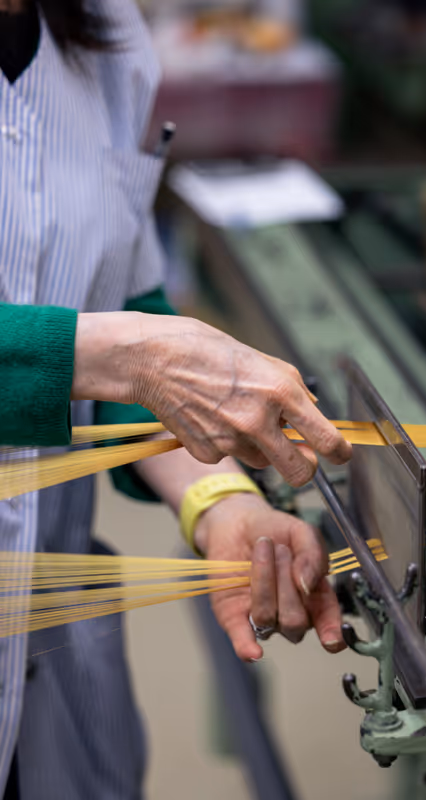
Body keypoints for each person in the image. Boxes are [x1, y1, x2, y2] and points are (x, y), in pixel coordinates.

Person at [0, 2, 351, 797]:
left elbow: (122, 299)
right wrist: (114, 357)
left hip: (47, 643)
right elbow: (117, 351)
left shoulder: (105, 36)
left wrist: (220, 503)